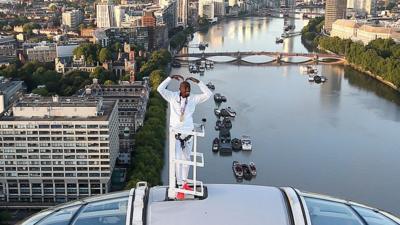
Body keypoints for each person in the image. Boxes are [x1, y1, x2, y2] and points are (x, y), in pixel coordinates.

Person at [157, 74, 212, 199]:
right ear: (180, 89)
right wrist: (170, 78)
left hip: (188, 133)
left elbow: (209, 94)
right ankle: (180, 184)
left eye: (189, 90)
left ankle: (185, 183)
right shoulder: (172, 96)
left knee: (187, 160)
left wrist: (198, 82)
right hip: (176, 134)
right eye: (186, 89)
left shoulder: (193, 98)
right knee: (177, 160)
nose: (188, 91)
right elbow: (159, 89)